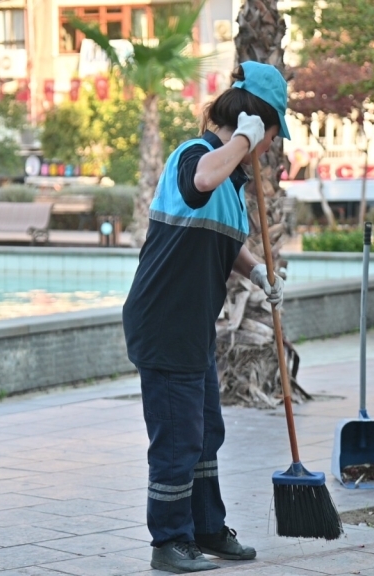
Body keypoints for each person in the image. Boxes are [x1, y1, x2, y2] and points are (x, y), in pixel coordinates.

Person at [121, 61, 290, 574]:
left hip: (192, 325)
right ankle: (169, 541)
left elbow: (224, 241)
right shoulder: (194, 156)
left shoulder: (232, 184)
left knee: (205, 431)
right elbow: (198, 184)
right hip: (163, 321)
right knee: (177, 435)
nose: (265, 150)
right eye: (268, 136)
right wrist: (242, 139)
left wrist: (258, 271)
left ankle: (206, 527)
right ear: (252, 122)